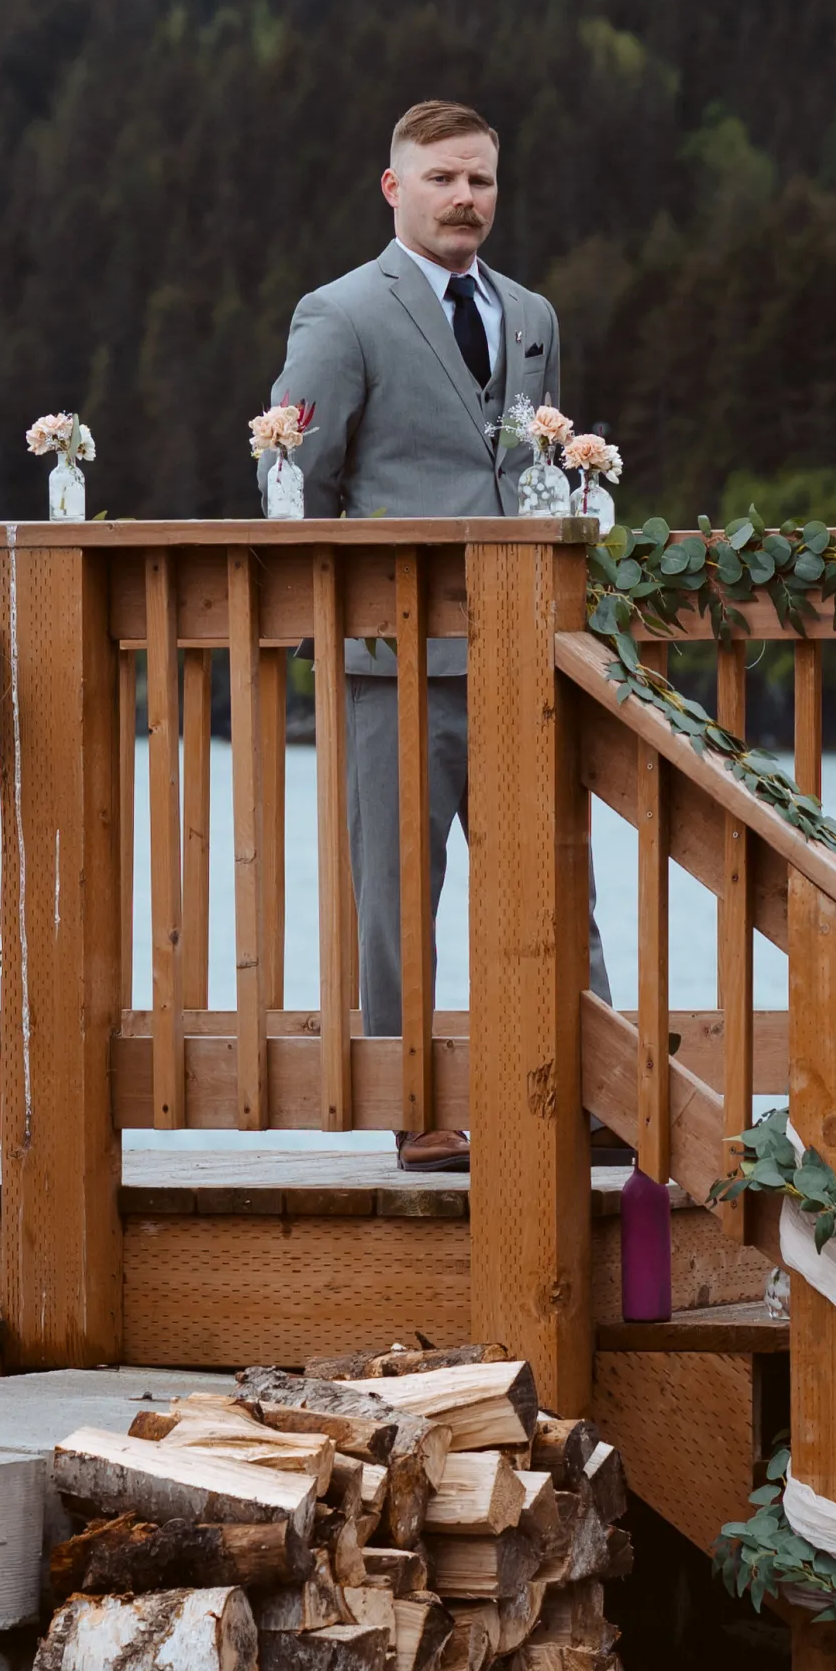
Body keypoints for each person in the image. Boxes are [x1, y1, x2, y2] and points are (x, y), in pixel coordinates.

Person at [268, 97, 608, 1170]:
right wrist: (335, 630)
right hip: (392, 662)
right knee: (398, 894)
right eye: (444, 178)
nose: (466, 198)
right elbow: (297, 484)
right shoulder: (340, 314)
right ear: (394, 187)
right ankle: (413, 1111)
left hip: (523, 652)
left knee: (558, 883)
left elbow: (532, 470)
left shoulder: (534, 313)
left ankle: (593, 1097)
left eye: (482, 181)